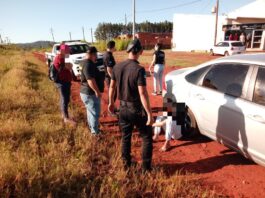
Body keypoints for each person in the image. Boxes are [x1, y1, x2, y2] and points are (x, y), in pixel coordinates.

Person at [108, 39, 153, 172]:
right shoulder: (139, 69)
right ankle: (146, 169)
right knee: (146, 137)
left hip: (122, 108)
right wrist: (149, 113)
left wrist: (111, 102)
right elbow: (143, 93)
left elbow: (111, 86)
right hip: (136, 109)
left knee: (126, 137)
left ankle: (126, 165)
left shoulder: (117, 67)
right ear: (140, 52)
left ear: (128, 51)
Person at [80, 46, 105, 135]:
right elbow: (90, 80)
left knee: (90, 112)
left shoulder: (87, 63)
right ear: (91, 54)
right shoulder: (88, 64)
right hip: (90, 93)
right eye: (95, 55)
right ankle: (95, 133)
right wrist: (97, 91)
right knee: (95, 113)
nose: (96, 57)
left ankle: (92, 129)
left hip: (87, 93)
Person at [53, 44, 76, 126]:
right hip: (62, 82)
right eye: (68, 51)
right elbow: (68, 66)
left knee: (64, 99)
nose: (69, 52)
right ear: (63, 51)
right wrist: (69, 65)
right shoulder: (59, 58)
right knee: (65, 99)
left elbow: (69, 66)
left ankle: (64, 114)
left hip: (65, 82)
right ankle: (66, 118)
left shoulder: (63, 58)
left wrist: (69, 65)